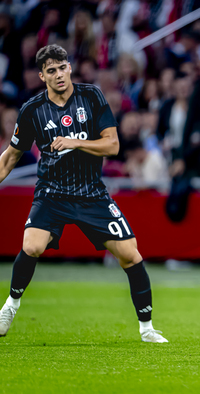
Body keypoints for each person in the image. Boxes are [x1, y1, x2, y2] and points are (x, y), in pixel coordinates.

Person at [0, 45, 167, 343]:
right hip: (51, 193)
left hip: (92, 194)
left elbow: (112, 145)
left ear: (69, 68)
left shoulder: (91, 97)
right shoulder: (32, 110)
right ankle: (11, 305)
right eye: (51, 71)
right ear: (42, 76)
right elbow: (11, 157)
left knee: (131, 255)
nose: (58, 74)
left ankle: (147, 329)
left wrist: (75, 143)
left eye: (62, 67)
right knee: (32, 245)